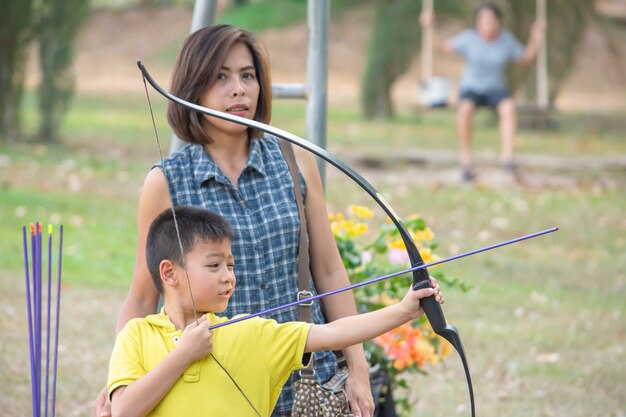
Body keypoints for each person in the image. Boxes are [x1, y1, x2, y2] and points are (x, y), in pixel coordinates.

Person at [93, 24, 374, 417]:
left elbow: (328, 269)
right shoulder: (166, 182)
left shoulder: (294, 159)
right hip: (221, 388)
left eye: (248, 76)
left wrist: (357, 368)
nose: (239, 89)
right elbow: (143, 295)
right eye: (221, 77)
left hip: (310, 380)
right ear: (194, 88)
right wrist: (117, 383)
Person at [108, 206, 445, 417]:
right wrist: (183, 354)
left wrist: (404, 310)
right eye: (214, 265)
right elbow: (123, 410)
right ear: (169, 273)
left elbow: (331, 333)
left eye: (231, 264)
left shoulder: (249, 332)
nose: (228, 276)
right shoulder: (137, 335)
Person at [420, 3, 546, 181]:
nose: (487, 23)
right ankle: (466, 158)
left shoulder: (506, 40)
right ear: (477, 23)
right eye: (483, 20)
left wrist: (536, 37)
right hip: (471, 88)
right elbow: (442, 49)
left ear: (498, 22)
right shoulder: (469, 39)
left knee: (508, 107)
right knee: (465, 109)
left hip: (496, 89)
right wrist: (429, 27)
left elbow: (526, 58)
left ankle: (507, 158)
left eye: (491, 20)